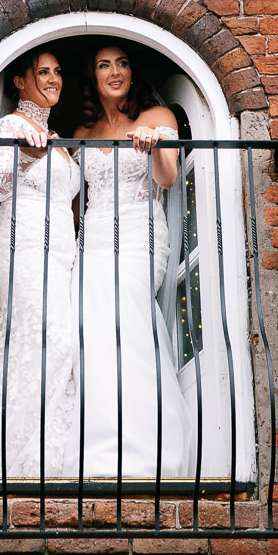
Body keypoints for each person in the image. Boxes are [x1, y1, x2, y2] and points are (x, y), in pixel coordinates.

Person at [71, 44, 194, 481]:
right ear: (93, 75)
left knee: (130, 326)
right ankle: (95, 451)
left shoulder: (157, 118)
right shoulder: (82, 131)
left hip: (139, 234)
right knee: (90, 333)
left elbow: (167, 178)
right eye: (103, 64)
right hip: (93, 239)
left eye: (121, 62)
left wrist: (154, 148)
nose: (114, 71)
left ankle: (146, 453)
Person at [0, 49, 83, 482]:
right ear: (20, 80)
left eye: (57, 72)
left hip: (62, 255)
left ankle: (49, 453)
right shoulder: (11, 126)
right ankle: (9, 462)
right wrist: (27, 157)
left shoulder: (60, 138)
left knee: (62, 347)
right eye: (43, 72)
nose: (52, 79)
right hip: (26, 250)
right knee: (38, 342)